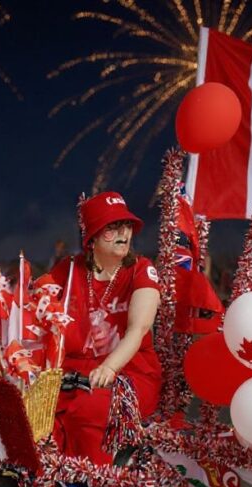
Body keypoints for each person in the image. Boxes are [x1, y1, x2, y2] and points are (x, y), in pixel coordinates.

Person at [49, 191, 161, 466]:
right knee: (38, 414)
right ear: (92, 237)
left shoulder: (141, 270)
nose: (123, 233)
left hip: (128, 371)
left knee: (89, 409)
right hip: (73, 371)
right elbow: (36, 307)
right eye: (112, 227)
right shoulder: (69, 270)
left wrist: (110, 367)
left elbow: (139, 327)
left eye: (126, 226)